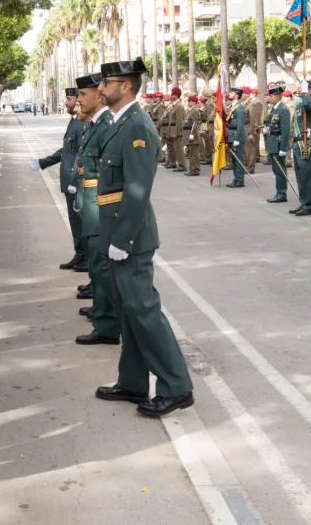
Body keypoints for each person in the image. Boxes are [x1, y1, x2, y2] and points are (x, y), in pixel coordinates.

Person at [93, 58, 193, 418]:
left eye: (107, 83)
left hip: (129, 236)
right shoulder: (120, 122)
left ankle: (176, 387)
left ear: (125, 86)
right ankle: (133, 382)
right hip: (116, 231)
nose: (100, 88)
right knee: (129, 314)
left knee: (144, 312)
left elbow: (137, 190)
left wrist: (122, 240)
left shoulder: (136, 125)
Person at [72, 72, 120, 345]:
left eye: (83, 95)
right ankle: (102, 313)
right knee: (97, 265)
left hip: (100, 206)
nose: (78, 100)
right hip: (90, 204)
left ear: (99, 96)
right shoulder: (94, 125)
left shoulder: (106, 125)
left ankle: (108, 325)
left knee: (102, 267)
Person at [30, 87, 87, 272]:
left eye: (69, 99)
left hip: (75, 180)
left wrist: (76, 179)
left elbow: (81, 154)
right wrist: (43, 162)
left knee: (80, 221)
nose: (66, 103)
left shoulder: (81, 123)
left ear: (78, 99)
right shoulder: (75, 121)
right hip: (69, 179)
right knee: (75, 221)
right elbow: (67, 151)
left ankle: (86, 256)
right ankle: (80, 253)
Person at [290, 81, 311, 217]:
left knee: (306, 177)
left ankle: (308, 205)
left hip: (305, 143)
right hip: (298, 143)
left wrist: (305, 93)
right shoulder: (300, 104)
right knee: (300, 176)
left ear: (310, 91)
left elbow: (308, 105)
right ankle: (303, 202)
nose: (298, 90)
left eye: (302, 88)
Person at [264, 83, 291, 203]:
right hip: (273, 141)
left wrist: (283, 148)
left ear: (278, 96)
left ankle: (281, 193)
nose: (269, 98)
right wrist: (268, 129)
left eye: (271, 96)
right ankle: (279, 192)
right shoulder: (275, 108)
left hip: (279, 142)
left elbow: (285, 130)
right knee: (276, 169)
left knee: (280, 170)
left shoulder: (284, 109)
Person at [226, 88, 247, 188]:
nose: (230, 94)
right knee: (234, 159)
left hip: (237, 136)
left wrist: (237, 139)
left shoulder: (239, 108)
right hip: (231, 134)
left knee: (238, 159)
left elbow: (240, 125)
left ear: (237, 95)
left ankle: (240, 180)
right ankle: (236, 178)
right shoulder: (233, 106)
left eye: (232, 93)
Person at [184, 95, 202, 176]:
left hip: (192, 135)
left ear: (193, 102)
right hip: (188, 133)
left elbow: (195, 124)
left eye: (189, 101)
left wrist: (192, 135)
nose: (188, 102)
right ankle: (192, 169)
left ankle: (195, 170)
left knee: (194, 154)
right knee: (191, 153)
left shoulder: (194, 110)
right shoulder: (190, 110)